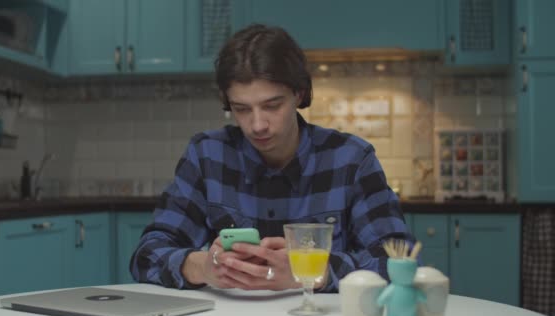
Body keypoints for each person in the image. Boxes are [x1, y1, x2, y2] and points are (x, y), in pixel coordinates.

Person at [130, 24, 414, 292]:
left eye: (272, 105)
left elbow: (400, 263)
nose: (257, 125)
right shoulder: (207, 155)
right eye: (241, 109)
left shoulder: (350, 159)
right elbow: (146, 255)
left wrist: (315, 272)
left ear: (299, 94)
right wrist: (200, 267)